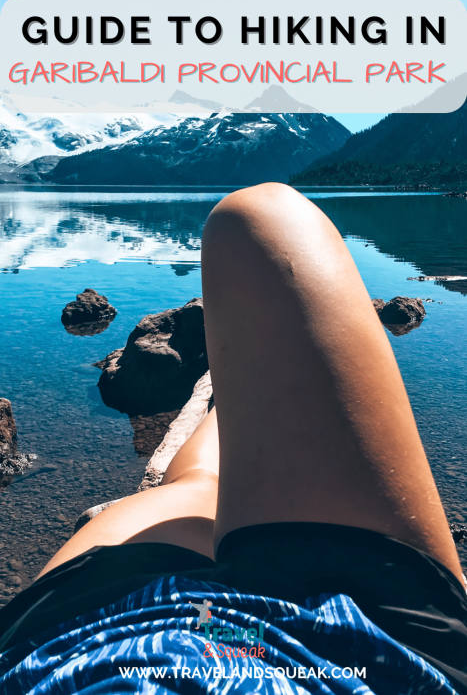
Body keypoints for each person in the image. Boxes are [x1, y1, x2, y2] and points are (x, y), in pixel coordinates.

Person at [0, 183, 466, 694]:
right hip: (368, 646)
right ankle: (239, 395)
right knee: (263, 212)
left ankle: (233, 397)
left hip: (101, 637)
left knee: (198, 485)